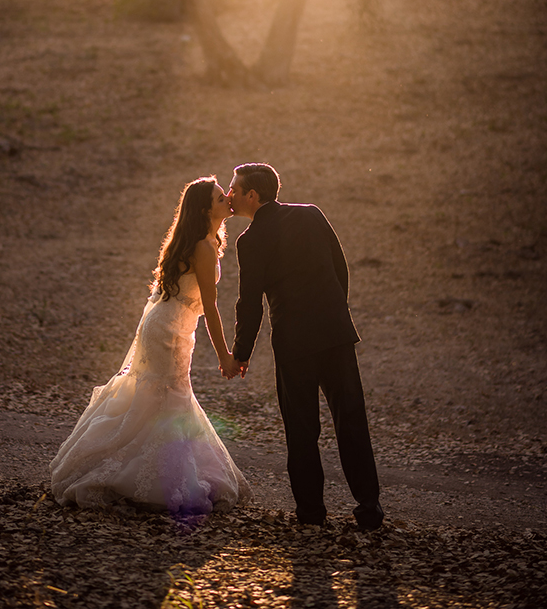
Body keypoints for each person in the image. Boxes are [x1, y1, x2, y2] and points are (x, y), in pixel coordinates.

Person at [50, 177, 252, 515]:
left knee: (163, 395)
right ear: (205, 209)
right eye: (221, 197)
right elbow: (212, 306)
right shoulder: (202, 247)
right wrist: (225, 356)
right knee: (166, 395)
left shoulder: (206, 241)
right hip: (169, 331)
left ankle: (153, 468)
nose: (228, 198)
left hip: (170, 323)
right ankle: (146, 477)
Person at [220, 162, 383, 530]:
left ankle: (311, 514)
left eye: (233, 188)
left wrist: (241, 353)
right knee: (352, 421)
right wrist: (334, 311)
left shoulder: (250, 240)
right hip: (336, 334)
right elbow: (340, 269)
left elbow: (249, 303)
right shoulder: (312, 215)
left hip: (294, 344)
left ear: (251, 195)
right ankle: (369, 509)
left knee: (302, 430)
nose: (228, 195)